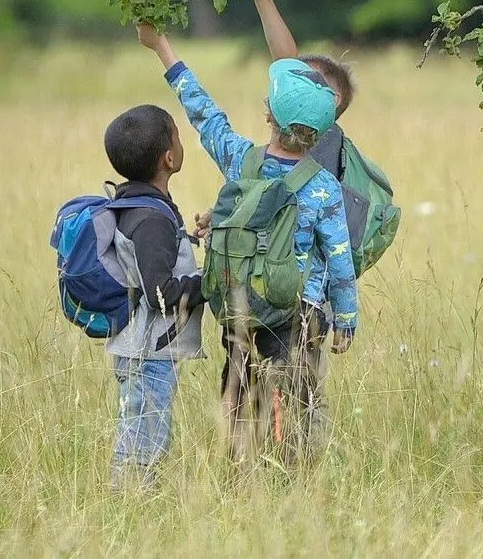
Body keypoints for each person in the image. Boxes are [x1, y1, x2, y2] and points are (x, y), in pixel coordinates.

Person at [136, 24, 357, 448]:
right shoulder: (324, 186)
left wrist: (163, 47)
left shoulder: (241, 160)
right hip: (301, 312)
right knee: (298, 398)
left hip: (242, 302)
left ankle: (241, 470)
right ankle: (293, 472)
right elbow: (341, 260)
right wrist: (346, 318)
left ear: (269, 113)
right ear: (321, 131)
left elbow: (203, 113)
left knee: (239, 394)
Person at [101, 104, 206, 488]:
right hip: (148, 352)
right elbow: (160, 293)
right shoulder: (153, 220)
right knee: (144, 443)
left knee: (140, 433)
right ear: (169, 157)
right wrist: (210, 282)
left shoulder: (136, 204)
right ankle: (130, 507)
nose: (181, 142)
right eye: (177, 135)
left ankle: (129, 502)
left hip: (139, 347)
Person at [226, 0, 356, 179]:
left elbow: (285, 57)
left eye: (306, 80)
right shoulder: (302, 143)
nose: (293, 86)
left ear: (333, 100)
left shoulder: (321, 158)